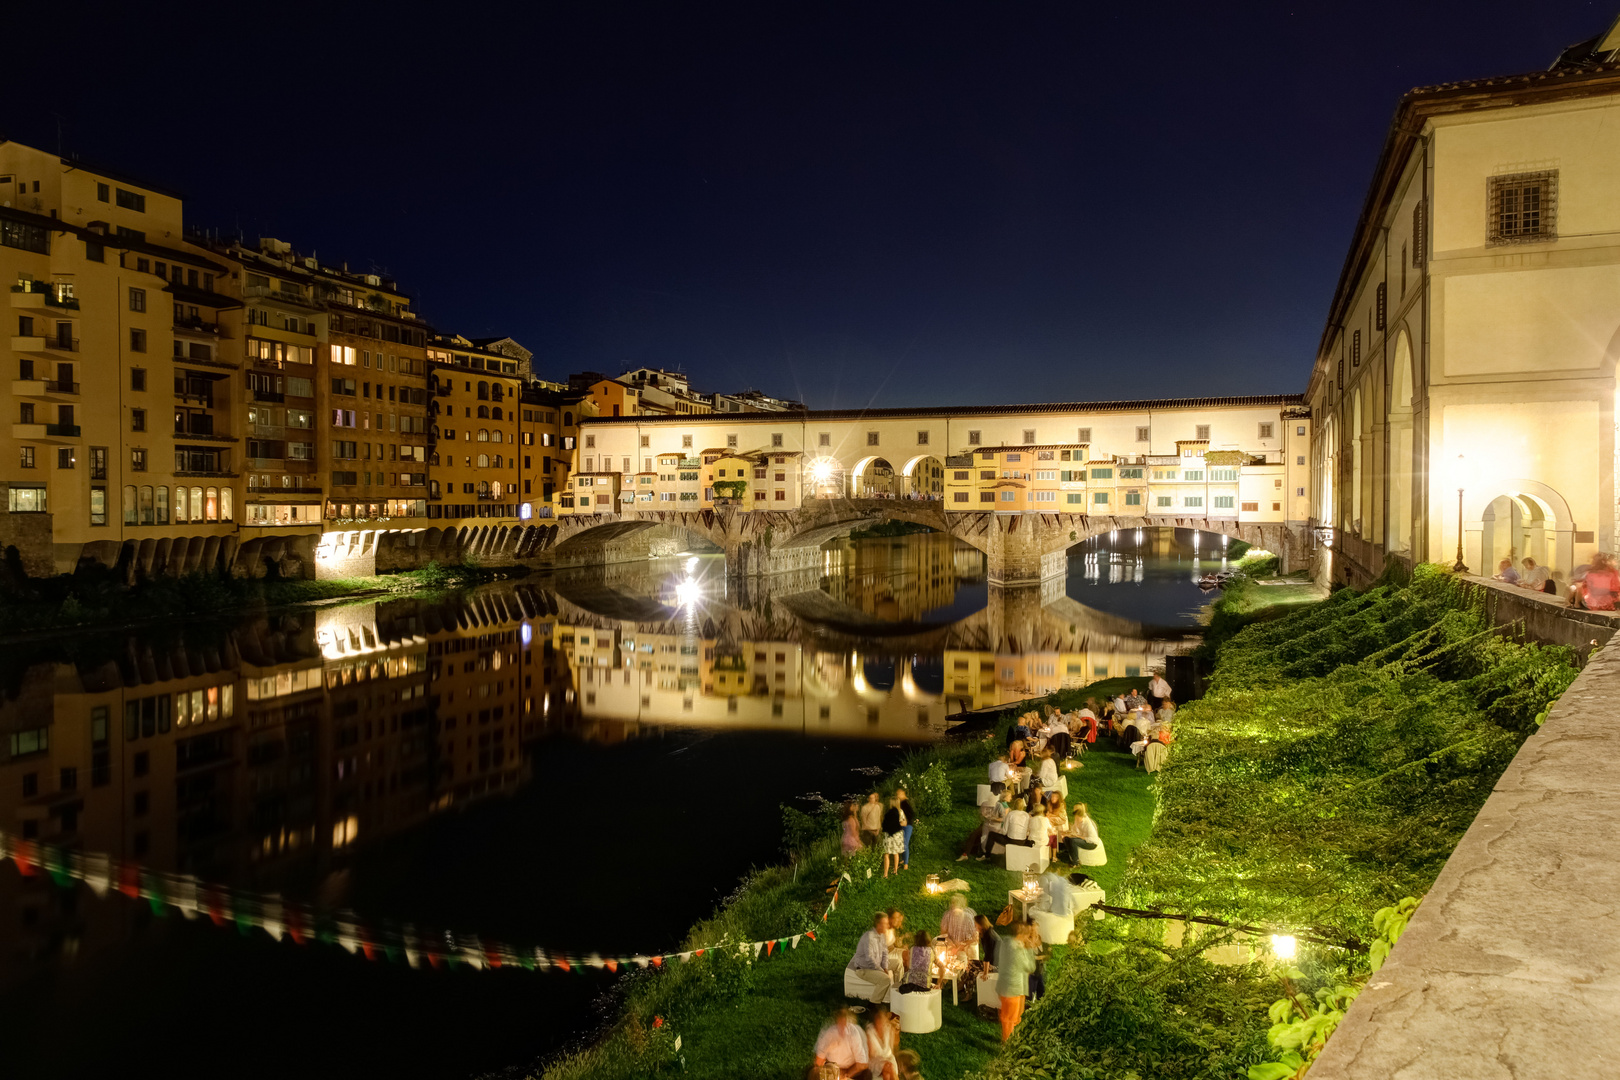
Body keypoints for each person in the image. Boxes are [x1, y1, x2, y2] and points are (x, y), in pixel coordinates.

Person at [995, 922, 1037, 1041]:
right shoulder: (1017, 950)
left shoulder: (1006, 942)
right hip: (1013, 989)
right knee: (1010, 1019)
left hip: (1007, 987)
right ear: (1020, 935)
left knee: (1012, 1017)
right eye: (1026, 935)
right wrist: (1029, 949)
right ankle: (1008, 1044)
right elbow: (1030, 967)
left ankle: (1014, 1038)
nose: (1027, 938)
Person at [812, 1007, 873, 1079]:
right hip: (832, 1068)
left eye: (844, 1020)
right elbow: (819, 1059)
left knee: (867, 1074)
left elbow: (862, 1064)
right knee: (813, 1073)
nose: (842, 1025)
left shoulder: (853, 1033)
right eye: (840, 1020)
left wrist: (846, 1075)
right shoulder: (829, 1033)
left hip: (851, 1068)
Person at [846, 912, 893, 1003]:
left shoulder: (882, 936)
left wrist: (885, 967)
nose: (888, 925)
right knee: (885, 979)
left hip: (877, 965)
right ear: (879, 925)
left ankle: (897, 991)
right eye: (885, 923)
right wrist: (882, 970)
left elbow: (885, 953)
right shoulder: (869, 938)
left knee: (897, 963)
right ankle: (873, 1005)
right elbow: (870, 960)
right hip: (864, 969)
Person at [961, 790, 1007, 860]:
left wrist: (994, 819)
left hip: (995, 825)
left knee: (990, 838)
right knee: (983, 838)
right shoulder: (985, 804)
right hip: (986, 824)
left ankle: (988, 854)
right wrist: (984, 815)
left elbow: (1003, 819)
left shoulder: (999, 806)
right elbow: (981, 815)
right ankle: (982, 853)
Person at [865, 1007, 900, 1080]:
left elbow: (895, 1045)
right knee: (888, 1067)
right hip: (875, 1061)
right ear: (875, 1019)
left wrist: (896, 1033)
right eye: (879, 1018)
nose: (881, 1021)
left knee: (888, 1068)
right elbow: (869, 1054)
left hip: (889, 1058)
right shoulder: (870, 1032)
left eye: (883, 1018)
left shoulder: (888, 1028)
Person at [881, 794, 906, 878]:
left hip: (888, 835)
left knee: (886, 854)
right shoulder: (901, 812)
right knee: (896, 853)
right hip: (897, 835)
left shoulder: (889, 812)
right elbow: (903, 823)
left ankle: (885, 874)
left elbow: (884, 823)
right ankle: (895, 871)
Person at [897, 786, 917, 871]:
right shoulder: (900, 803)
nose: (897, 795)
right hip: (902, 825)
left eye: (899, 793)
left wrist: (906, 821)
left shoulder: (906, 803)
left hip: (907, 826)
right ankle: (903, 859)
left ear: (903, 794)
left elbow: (911, 814)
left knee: (905, 843)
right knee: (901, 842)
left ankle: (906, 863)